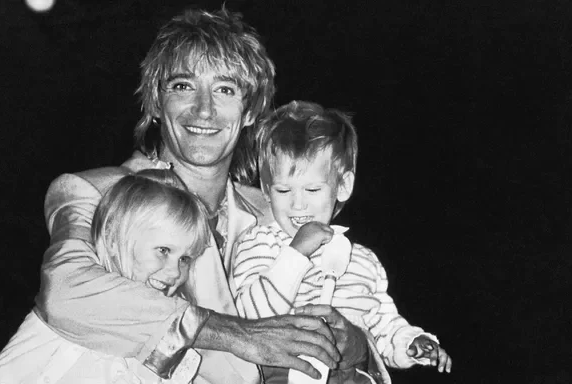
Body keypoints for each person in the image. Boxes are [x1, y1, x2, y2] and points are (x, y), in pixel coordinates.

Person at [34, 8, 388, 384]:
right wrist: (238, 335)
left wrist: (355, 352)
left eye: (225, 89)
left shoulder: (287, 212)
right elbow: (66, 292)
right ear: (156, 102)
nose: (204, 109)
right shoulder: (95, 191)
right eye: (183, 86)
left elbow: (352, 313)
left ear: (250, 110)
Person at [231, 101, 453, 383]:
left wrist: (411, 342)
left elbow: (383, 323)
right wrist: (296, 253)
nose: (298, 204)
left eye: (312, 189)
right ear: (265, 190)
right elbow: (249, 315)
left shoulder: (363, 260)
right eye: (283, 189)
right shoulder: (259, 243)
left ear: (343, 186)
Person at [0, 170, 213, 384]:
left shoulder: (163, 341)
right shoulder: (79, 310)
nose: (175, 272)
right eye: (163, 250)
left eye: (185, 259)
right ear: (112, 239)